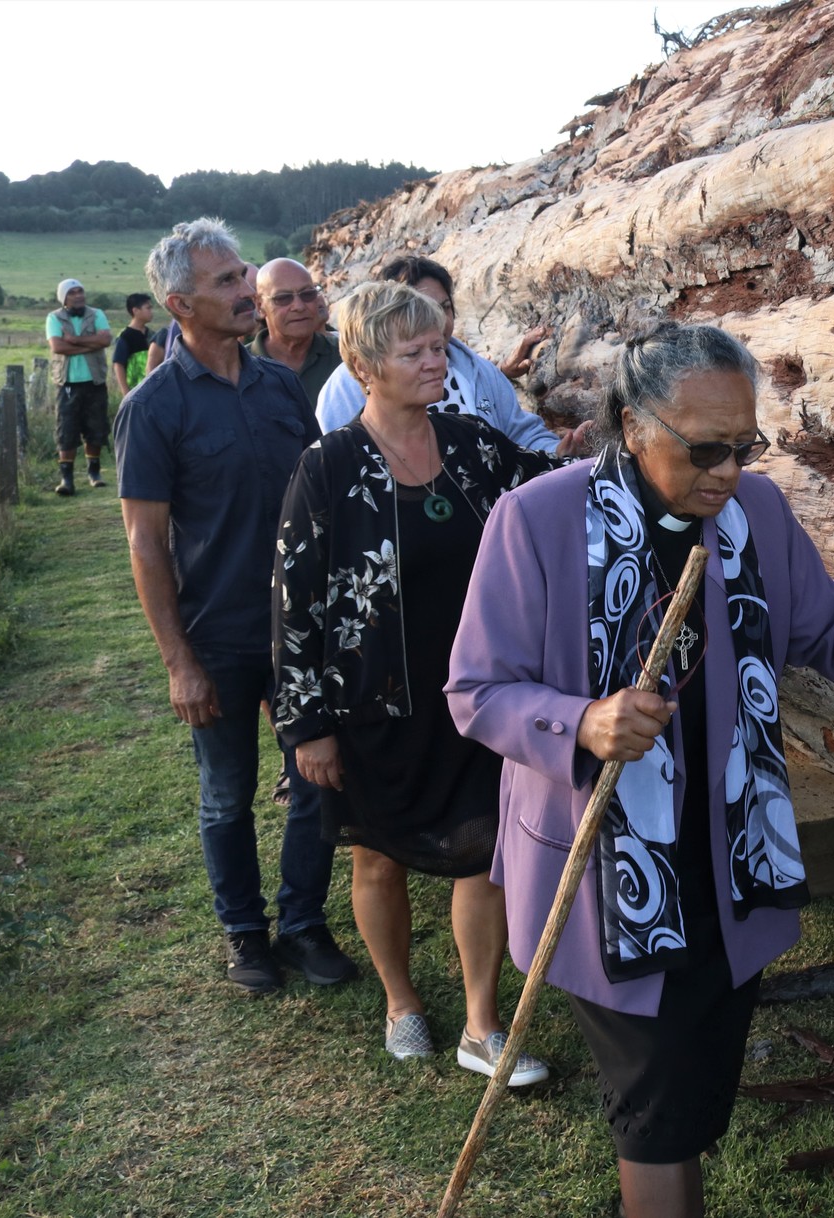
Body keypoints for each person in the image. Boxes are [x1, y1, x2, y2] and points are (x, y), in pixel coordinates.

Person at [446, 322, 834, 1217]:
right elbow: (477, 690)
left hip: (729, 858)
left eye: (744, 445)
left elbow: (818, 625)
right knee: (656, 1111)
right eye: (704, 449)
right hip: (607, 876)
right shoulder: (536, 519)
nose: (727, 471)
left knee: (688, 1095)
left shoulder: (754, 511)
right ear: (631, 424)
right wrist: (583, 722)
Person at [272, 281, 564, 1080]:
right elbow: (294, 604)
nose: (437, 362)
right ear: (365, 367)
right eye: (415, 352)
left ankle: (481, 1024)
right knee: (377, 858)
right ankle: (401, 1003)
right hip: (371, 704)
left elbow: (552, 487)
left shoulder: (472, 444)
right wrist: (306, 728)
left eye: (439, 347)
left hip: (477, 692)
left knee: (482, 852)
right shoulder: (327, 467)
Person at [113, 218, 356, 996]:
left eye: (243, 273)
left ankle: (304, 924)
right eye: (227, 281)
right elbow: (146, 543)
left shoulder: (280, 387)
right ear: (179, 305)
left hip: (299, 631)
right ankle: (245, 934)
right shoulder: (153, 408)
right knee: (226, 794)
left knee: (316, 779)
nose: (246, 289)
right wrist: (178, 663)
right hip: (216, 635)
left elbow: (319, 503)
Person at [315, 256, 566, 454]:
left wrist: (557, 452)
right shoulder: (344, 390)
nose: (441, 320)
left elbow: (518, 439)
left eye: (445, 307)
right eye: (413, 353)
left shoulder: (478, 375)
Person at [46, 278, 114, 494]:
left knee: (96, 427)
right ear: (63, 298)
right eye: (72, 293)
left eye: (80, 291)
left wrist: (74, 340)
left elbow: (105, 340)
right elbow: (58, 346)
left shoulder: (97, 314)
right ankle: (67, 479)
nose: (78, 296)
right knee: (66, 429)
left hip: (94, 381)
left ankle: (94, 473)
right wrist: (90, 344)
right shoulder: (54, 317)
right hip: (67, 383)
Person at [249, 258, 340, 408]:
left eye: (307, 294)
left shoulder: (347, 358)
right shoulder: (238, 368)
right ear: (260, 306)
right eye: (283, 298)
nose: (298, 306)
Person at [111, 292, 156, 397]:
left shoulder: (152, 334)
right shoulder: (125, 336)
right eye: (148, 308)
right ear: (135, 311)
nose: (151, 312)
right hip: (135, 389)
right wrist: (126, 392)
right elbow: (118, 365)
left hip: (152, 389)